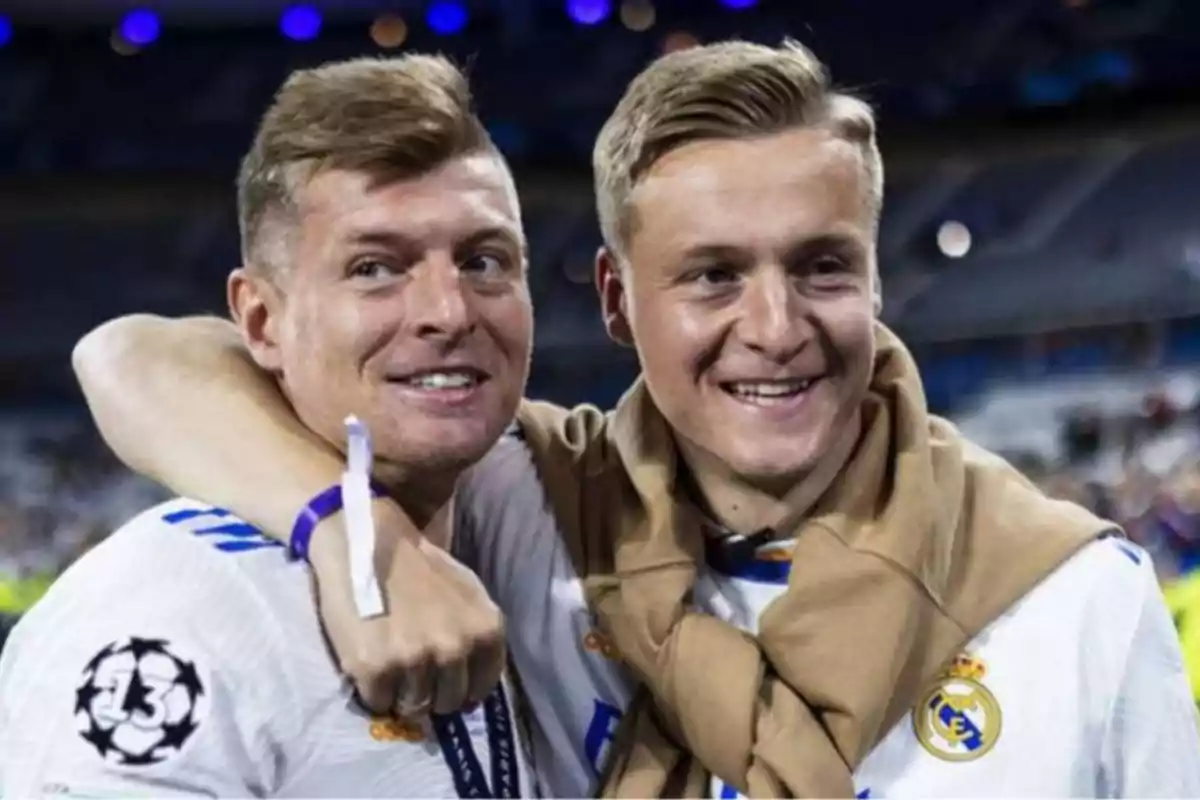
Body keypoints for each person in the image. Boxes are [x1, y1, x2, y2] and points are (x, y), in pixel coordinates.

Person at [74, 40, 1200, 798]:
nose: (776, 327)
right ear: (616, 300)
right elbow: (135, 357)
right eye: (711, 275)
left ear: (874, 281)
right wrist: (339, 524)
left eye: (820, 266)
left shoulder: (1074, 601)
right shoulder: (543, 508)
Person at [0, 54, 538, 798]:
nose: (449, 311)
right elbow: (124, 352)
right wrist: (345, 524)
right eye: (375, 268)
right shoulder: (168, 620)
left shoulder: (542, 520)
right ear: (260, 319)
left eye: (484, 260)